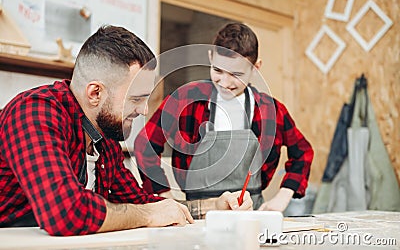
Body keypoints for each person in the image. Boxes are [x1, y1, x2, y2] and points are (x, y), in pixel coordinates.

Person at [0, 25, 251, 236]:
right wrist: (146, 215)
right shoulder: (33, 112)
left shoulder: (105, 137)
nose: (143, 111)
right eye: (135, 99)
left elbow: (141, 203)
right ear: (95, 93)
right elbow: (66, 213)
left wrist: (215, 207)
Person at [135, 23, 314, 213]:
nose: (225, 83)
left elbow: (303, 152)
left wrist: (283, 197)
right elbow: (144, 145)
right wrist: (163, 194)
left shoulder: (271, 110)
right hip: (196, 215)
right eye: (218, 71)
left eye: (236, 75)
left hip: (251, 216)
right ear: (211, 57)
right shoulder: (185, 99)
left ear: (256, 67)